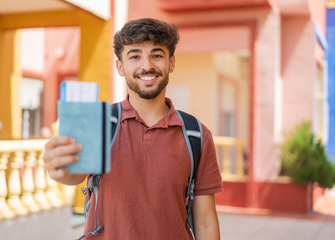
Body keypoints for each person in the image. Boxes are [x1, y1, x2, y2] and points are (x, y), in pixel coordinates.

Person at [43, 18, 223, 240]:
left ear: (172, 63)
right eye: (134, 56)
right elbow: (74, 174)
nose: (146, 66)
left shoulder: (197, 135)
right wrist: (59, 167)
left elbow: (205, 222)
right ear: (120, 67)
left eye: (157, 55)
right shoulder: (99, 122)